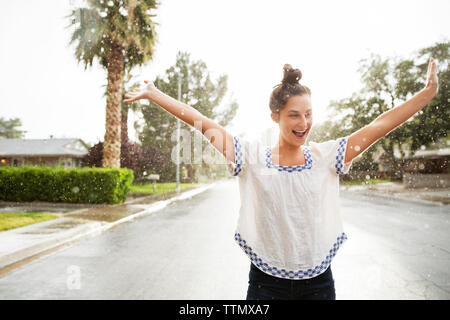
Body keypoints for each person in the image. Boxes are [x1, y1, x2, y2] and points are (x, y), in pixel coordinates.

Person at [123, 58, 439, 300]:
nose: (304, 123)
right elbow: (200, 121)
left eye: (309, 114)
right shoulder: (251, 157)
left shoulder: (327, 157)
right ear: (275, 116)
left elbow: (379, 126)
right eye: (294, 115)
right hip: (265, 283)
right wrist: (154, 94)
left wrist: (426, 94)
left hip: (318, 283)